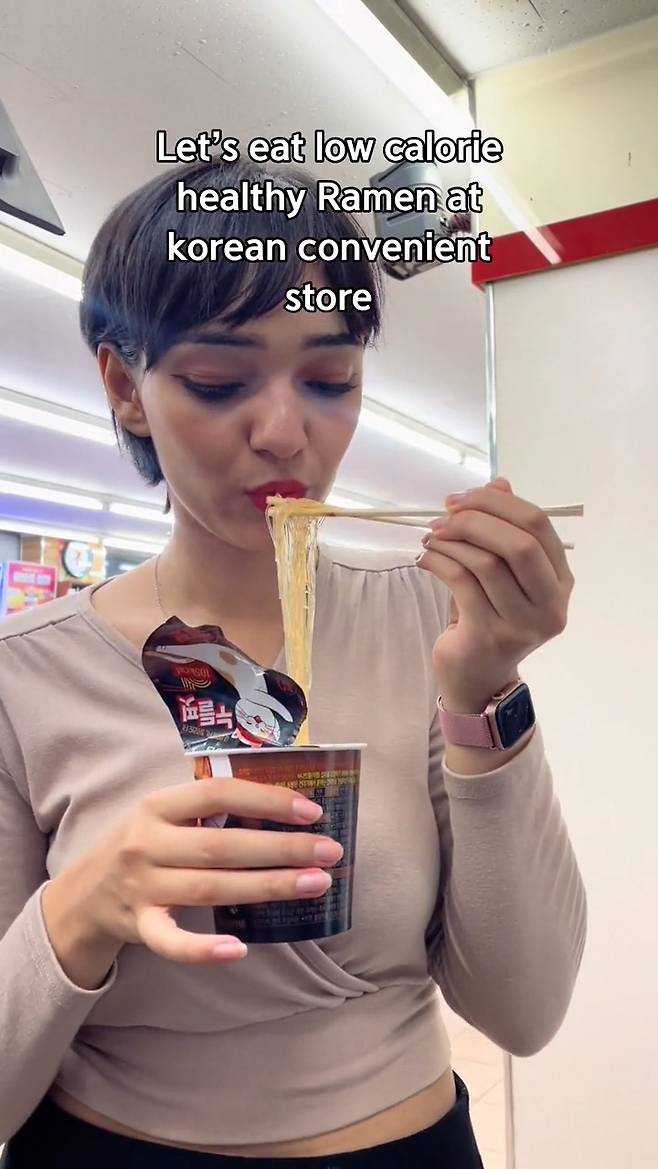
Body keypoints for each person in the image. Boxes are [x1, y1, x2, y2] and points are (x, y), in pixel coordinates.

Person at [0, 158, 587, 1168]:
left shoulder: (423, 618)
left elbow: (523, 1010)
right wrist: (84, 905)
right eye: (217, 382)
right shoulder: (26, 675)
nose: (283, 433)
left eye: (329, 380)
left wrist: (484, 693)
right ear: (125, 386)